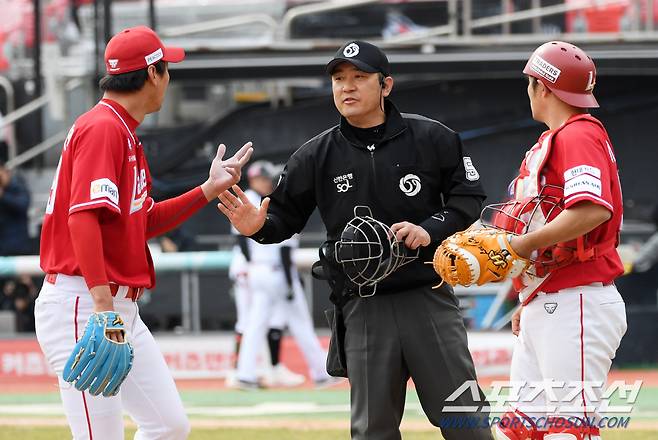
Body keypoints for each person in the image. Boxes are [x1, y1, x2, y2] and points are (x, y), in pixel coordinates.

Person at [218, 40, 492, 440]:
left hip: (427, 297)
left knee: (466, 422)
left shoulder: (433, 137)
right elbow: (280, 220)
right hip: (362, 307)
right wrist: (255, 227)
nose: (346, 87)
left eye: (359, 78)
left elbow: (468, 198)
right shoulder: (315, 155)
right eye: (338, 79)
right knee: (371, 431)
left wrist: (429, 229)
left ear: (386, 85)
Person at [34, 26, 252, 440]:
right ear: (153, 74)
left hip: (113, 305)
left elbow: (143, 221)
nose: (168, 79)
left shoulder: (121, 130)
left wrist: (208, 190)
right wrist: (102, 306)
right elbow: (82, 218)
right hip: (86, 303)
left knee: (168, 425)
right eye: (166, 69)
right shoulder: (104, 128)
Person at [491, 41, 627, 440]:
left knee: (569, 431)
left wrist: (519, 246)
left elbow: (592, 210)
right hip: (552, 298)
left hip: (577, 300)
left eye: (531, 83)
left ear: (542, 86)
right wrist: (531, 293)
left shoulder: (578, 135)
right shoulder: (561, 137)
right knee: (519, 430)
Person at [228, 160, 334, 389]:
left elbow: (241, 241)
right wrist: (288, 283)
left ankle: (245, 373)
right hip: (274, 271)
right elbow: (284, 251)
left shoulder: (249, 200)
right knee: (299, 322)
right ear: (257, 180)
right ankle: (321, 372)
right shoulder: (268, 203)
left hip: (257, 270)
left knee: (254, 323)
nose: (271, 183)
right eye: (267, 179)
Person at [0, 162, 31, 256]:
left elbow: (22, 205)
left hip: (17, 246)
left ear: (6, 173)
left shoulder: (18, 187)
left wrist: (3, 196)